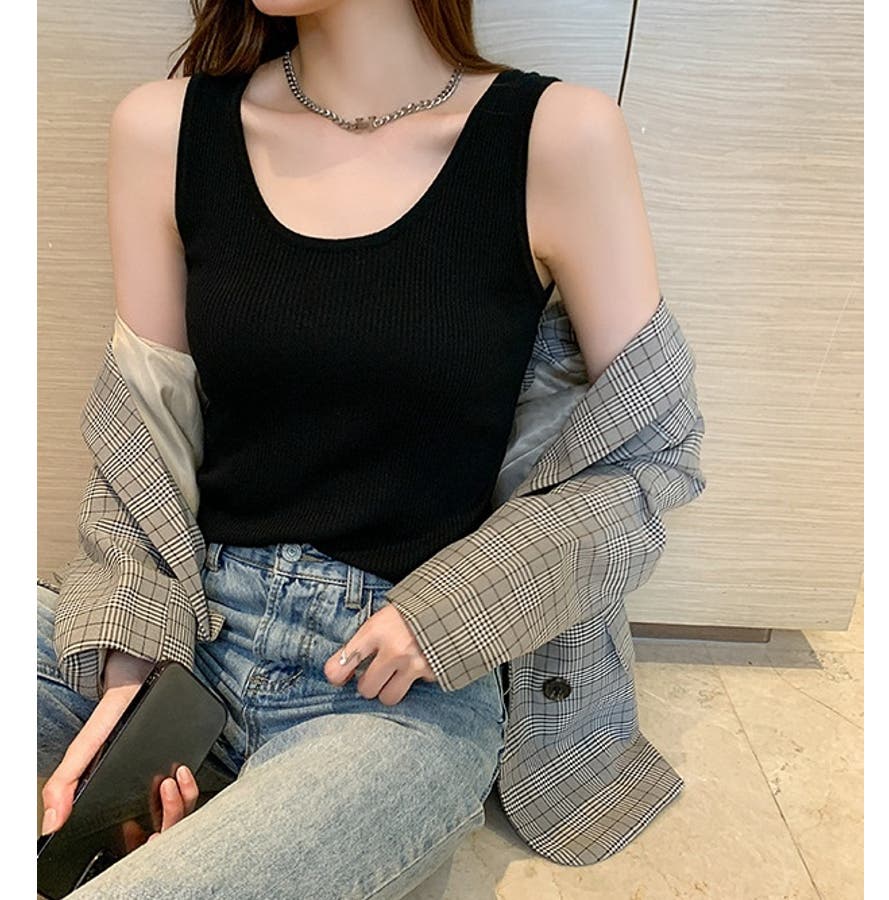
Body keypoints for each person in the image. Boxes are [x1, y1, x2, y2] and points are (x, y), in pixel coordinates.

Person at [38, 0, 694, 896]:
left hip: (393, 690)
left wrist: (457, 608)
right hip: (189, 629)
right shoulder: (165, 129)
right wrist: (131, 673)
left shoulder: (556, 138)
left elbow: (650, 452)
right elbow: (143, 438)